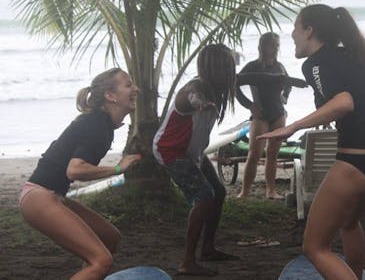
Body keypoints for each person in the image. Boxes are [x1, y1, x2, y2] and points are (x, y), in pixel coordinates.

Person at [258, 4, 365, 279]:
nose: (292, 34)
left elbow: (344, 102)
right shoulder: (351, 55)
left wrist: (294, 126)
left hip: (358, 161)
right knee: (349, 223)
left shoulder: (316, 63)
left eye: (296, 28)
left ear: (310, 31)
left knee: (315, 247)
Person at [18, 68, 142, 279]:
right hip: (39, 196)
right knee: (101, 261)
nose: (136, 89)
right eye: (128, 85)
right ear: (110, 96)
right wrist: (117, 169)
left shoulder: (102, 124)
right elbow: (74, 170)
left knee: (110, 238)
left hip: (51, 195)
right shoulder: (97, 124)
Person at [153, 44, 239, 276]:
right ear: (218, 69)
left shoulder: (215, 87)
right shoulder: (196, 88)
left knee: (218, 192)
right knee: (203, 196)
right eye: (229, 66)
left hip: (192, 153)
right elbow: (192, 97)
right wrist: (199, 104)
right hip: (171, 151)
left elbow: (247, 76)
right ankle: (187, 261)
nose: (233, 71)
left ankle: (208, 249)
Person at [236, 32, 291, 199]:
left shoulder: (279, 66)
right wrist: (250, 105)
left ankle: (271, 191)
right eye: (271, 45)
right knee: (254, 154)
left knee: (273, 154)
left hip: (278, 114)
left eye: (277, 45)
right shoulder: (253, 66)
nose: (274, 48)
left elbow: (288, 83)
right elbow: (234, 85)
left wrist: (286, 96)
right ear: (262, 46)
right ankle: (244, 192)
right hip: (260, 115)